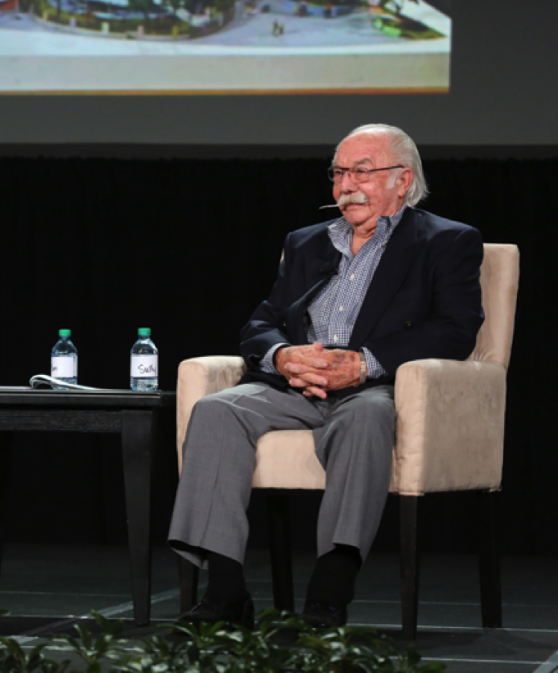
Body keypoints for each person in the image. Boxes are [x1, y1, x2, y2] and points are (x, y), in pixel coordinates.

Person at [168, 124, 484, 630]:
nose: (346, 185)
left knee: (366, 419)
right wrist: (282, 356)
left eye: (362, 171)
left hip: (372, 387)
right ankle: (225, 594)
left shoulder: (446, 241)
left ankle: (328, 597)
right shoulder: (307, 242)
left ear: (403, 180)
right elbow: (263, 321)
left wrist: (363, 363)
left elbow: (455, 330)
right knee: (215, 411)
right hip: (295, 387)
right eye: (338, 173)